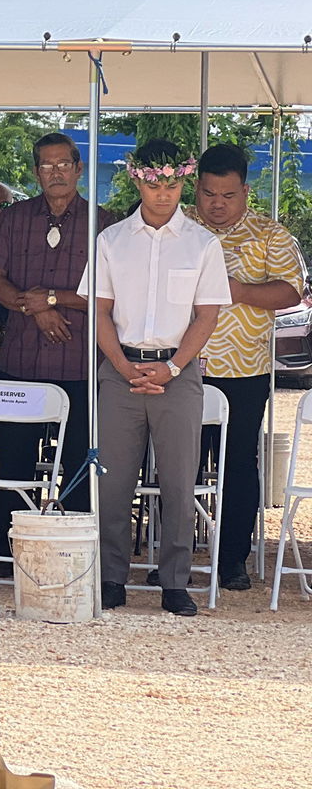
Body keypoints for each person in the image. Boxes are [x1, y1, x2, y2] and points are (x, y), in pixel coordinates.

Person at [86, 140, 229, 616]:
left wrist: (171, 367)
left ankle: (174, 582)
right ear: (136, 180)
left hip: (178, 370)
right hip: (120, 367)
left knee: (178, 479)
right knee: (112, 481)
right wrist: (123, 366)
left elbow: (206, 315)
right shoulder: (110, 240)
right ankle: (111, 577)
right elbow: (99, 311)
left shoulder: (203, 243)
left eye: (171, 183)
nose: (163, 193)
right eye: (153, 182)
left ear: (183, 181)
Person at [0, 133, 114, 563]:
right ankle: (6, 552)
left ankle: (69, 554)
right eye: (46, 165)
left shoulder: (105, 224)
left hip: (82, 362)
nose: (55, 172)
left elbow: (113, 294)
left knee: (78, 461)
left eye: (63, 164)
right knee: (15, 460)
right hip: (22, 359)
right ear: (36, 171)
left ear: (79, 169)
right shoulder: (14, 218)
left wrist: (53, 299)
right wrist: (32, 307)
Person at [189, 142, 305, 591]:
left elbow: (291, 292)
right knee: (181, 465)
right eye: (208, 193)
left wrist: (239, 291)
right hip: (182, 366)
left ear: (245, 191)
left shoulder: (271, 235)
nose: (216, 204)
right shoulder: (179, 228)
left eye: (228, 195)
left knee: (238, 463)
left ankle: (233, 558)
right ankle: (176, 558)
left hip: (243, 370)